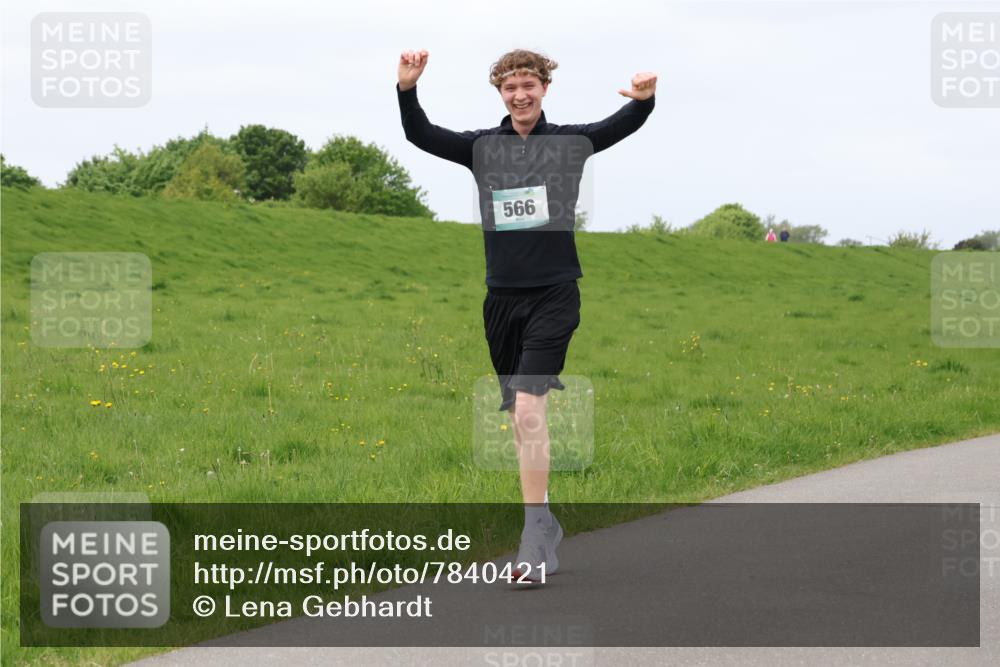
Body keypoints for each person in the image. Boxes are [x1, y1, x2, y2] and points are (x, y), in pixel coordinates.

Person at [396, 48, 656, 582]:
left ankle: (533, 536)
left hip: (555, 295)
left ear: (544, 89)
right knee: (520, 418)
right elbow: (421, 135)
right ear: (500, 93)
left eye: (529, 86)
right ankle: (545, 523)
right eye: (510, 87)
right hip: (501, 300)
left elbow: (619, 124)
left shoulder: (567, 145)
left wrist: (645, 100)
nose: (520, 95)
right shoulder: (481, 148)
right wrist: (407, 89)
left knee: (532, 409)